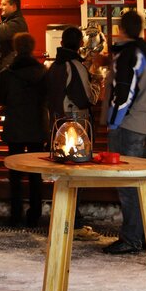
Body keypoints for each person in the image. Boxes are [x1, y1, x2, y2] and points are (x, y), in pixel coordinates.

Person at [103, 10, 146, 255]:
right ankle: (139, 234)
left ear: (122, 29)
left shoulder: (129, 54)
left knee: (127, 185)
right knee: (137, 184)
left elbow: (124, 93)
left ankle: (131, 238)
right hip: (144, 122)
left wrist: (113, 122)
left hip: (127, 125)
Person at [43, 25, 102, 240]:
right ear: (80, 44)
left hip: (57, 123)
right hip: (75, 124)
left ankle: (63, 218)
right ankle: (73, 223)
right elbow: (86, 98)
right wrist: (96, 82)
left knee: (63, 173)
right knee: (76, 172)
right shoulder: (75, 65)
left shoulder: (54, 65)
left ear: (61, 43)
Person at [0, 33, 48, 227]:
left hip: (15, 127)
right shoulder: (43, 72)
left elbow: (3, 99)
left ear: (15, 48)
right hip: (36, 127)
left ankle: (15, 214)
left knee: (15, 174)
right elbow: (47, 97)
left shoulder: (7, 74)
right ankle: (35, 214)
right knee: (36, 174)